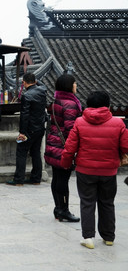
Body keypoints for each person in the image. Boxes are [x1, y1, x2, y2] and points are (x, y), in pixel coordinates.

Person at [61, 91, 128, 249]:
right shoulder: (118, 123)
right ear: (108, 105)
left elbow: (70, 148)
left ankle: (88, 237)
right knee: (107, 203)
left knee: (87, 203)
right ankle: (109, 237)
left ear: (88, 105)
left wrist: (65, 164)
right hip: (109, 171)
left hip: (85, 170)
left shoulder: (79, 122)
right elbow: (126, 146)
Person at [44, 74, 81, 222]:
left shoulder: (55, 102)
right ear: (69, 86)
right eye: (74, 83)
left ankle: (58, 208)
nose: (76, 85)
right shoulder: (70, 104)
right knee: (63, 179)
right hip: (63, 146)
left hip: (53, 143)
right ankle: (63, 210)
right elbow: (71, 129)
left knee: (56, 178)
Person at [7, 73, 47, 186]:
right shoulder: (43, 91)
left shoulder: (27, 95)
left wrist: (22, 132)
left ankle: (18, 179)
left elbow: (24, 115)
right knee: (36, 152)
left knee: (21, 152)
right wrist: (35, 80)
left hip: (29, 129)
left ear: (24, 82)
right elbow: (42, 84)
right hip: (40, 128)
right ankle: (36, 179)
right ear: (34, 81)